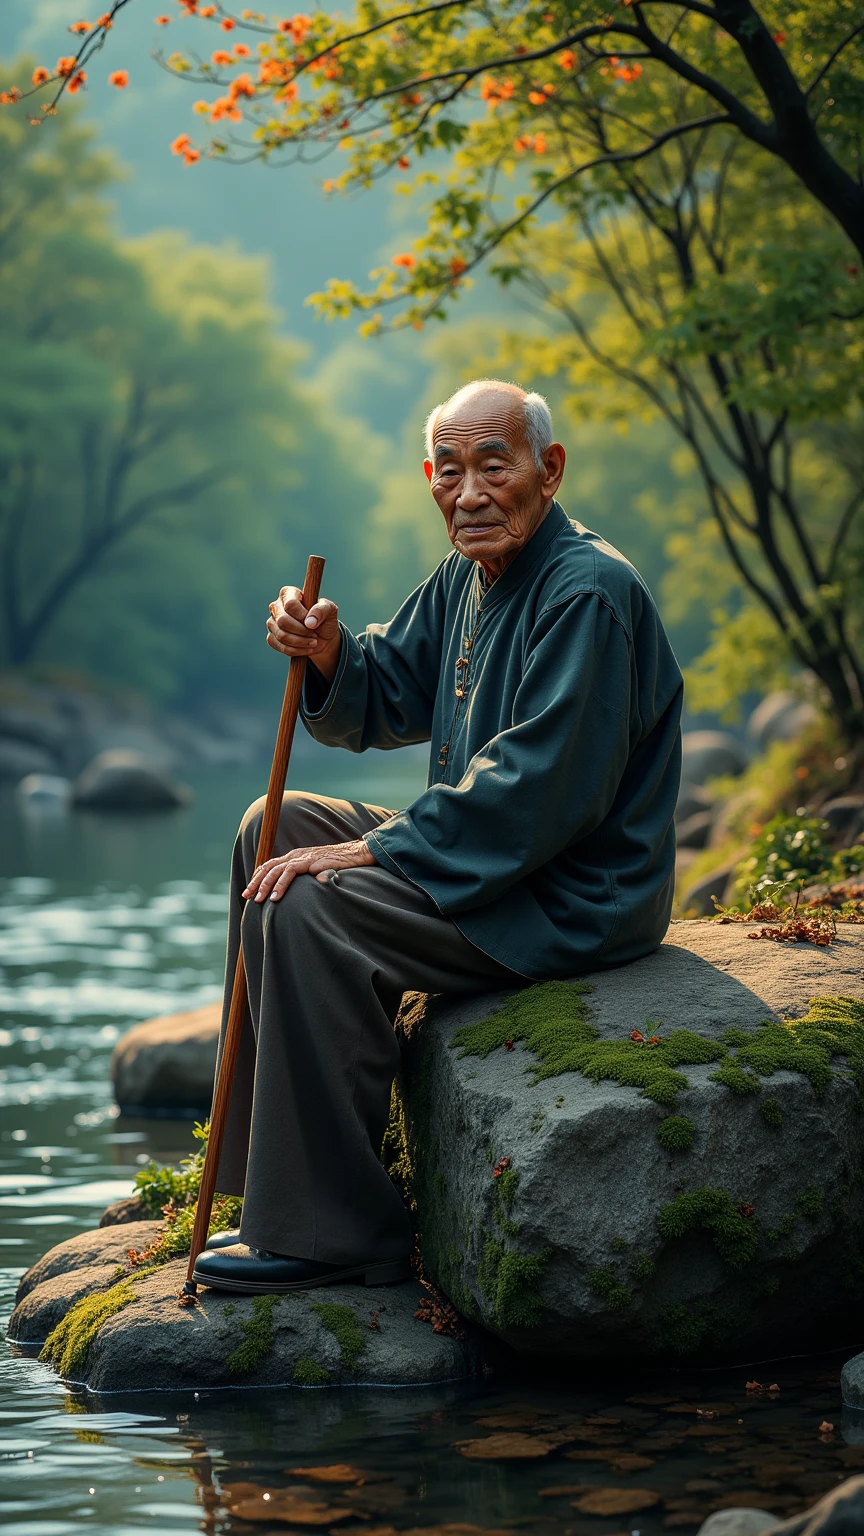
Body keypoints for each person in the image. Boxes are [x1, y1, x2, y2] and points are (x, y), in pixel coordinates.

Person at [191, 378, 683, 1294]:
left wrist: (379, 848)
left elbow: (543, 791)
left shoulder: (589, 591)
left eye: (494, 465)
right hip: (494, 862)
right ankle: (267, 1188)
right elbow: (387, 686)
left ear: (548, 469)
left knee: (307, 902)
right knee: (273, 830)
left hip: (565, 893)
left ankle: (339, 1233)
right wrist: (329, 650)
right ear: (429, 478)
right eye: (450, 470)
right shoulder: (469, 571)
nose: (470, 492)